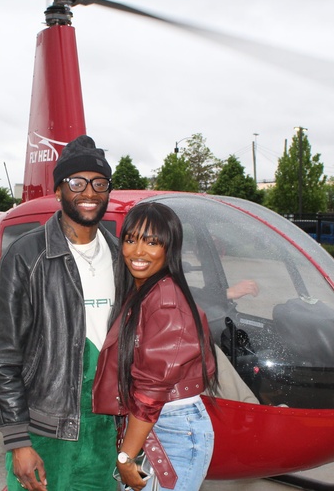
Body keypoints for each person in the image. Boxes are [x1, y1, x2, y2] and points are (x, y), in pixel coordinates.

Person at [0, 135, 119, 491]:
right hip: (44, 429)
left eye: (99, 183)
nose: (89, 192)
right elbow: (1, 355)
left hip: (105, 430)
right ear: (59, 191)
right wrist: (18, 441)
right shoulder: (27, 256)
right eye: (77, 183)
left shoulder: (121, 257)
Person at [93, 202, 218, 491]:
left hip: (171, 428)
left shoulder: (165, 302)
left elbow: (151, 393)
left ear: (169, 248)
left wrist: (125, 457)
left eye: (152, 242)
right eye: (131, 239)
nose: (138, 251)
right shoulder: (144, 293)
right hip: (159, 425)